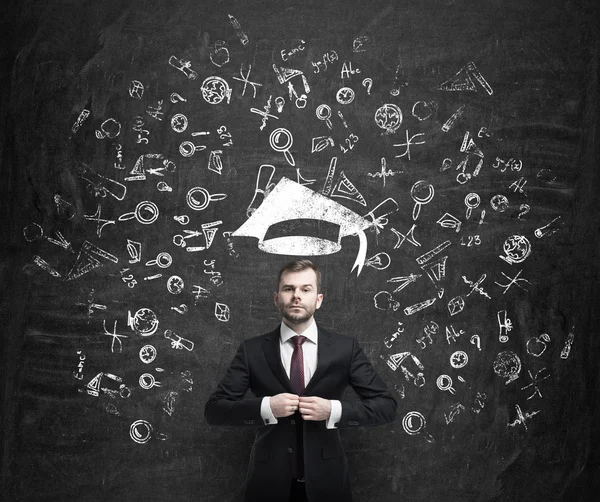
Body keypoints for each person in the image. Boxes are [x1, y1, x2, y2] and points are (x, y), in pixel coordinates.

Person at [205, 259, 397, 502]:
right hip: (267, 485)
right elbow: (214, 410)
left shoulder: (345, 348)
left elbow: (386, 406)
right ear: (277, 298)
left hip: (329, 484)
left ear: (318, 299)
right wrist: (267, 408)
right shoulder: (251, 350)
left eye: (306, 289)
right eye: (289, 289)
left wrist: (332, 410)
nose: (297, 296)